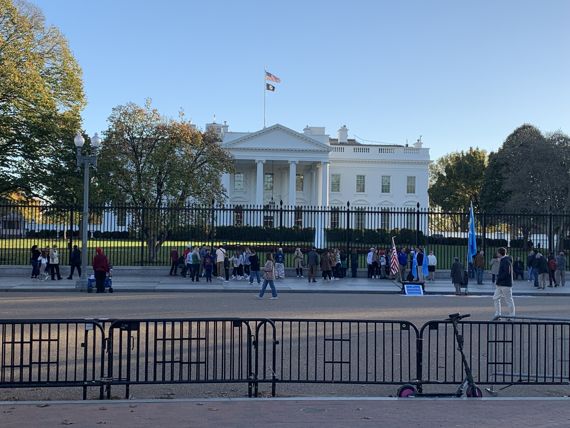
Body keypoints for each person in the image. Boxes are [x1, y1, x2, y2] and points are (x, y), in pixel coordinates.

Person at [492, 247, 515, 320]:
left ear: (500, 253)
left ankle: (511, 316)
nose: (497, 254)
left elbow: (506, 272)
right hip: (501, 283)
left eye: (497, 252)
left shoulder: (506, 261)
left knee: (508, 300)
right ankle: (498, 314)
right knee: (496, 298)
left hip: (505, 284)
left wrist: (499, 278)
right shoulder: (505, 260)